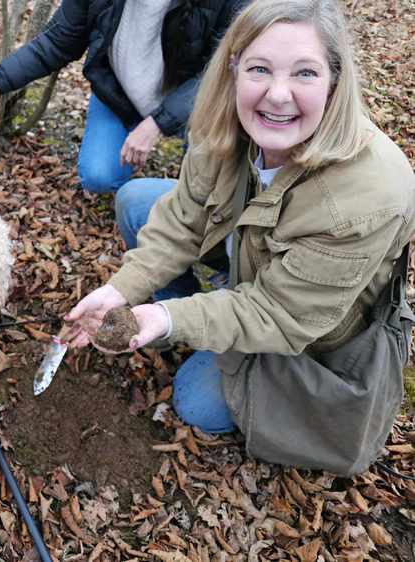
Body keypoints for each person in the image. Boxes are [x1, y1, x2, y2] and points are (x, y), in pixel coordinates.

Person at [63, 0, 415, 475]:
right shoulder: (224, 122)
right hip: (249, 259)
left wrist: (166, 317)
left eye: (305, 74)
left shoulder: (364, 195)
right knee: (137, 200)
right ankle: (195, 322)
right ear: (232, 68)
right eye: (260, 68)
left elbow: (280, 314)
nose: (277, 95)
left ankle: (198, 329)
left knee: (194, 404)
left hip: (304, 331)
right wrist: (121, 290)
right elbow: (184, 218)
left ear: (335, 81)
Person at [0, 0, 245, 194]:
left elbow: (218, 75)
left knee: (204, 187)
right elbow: (59, 40)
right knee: (98, 176)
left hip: (197, 100)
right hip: (122, 91)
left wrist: (158, 124)